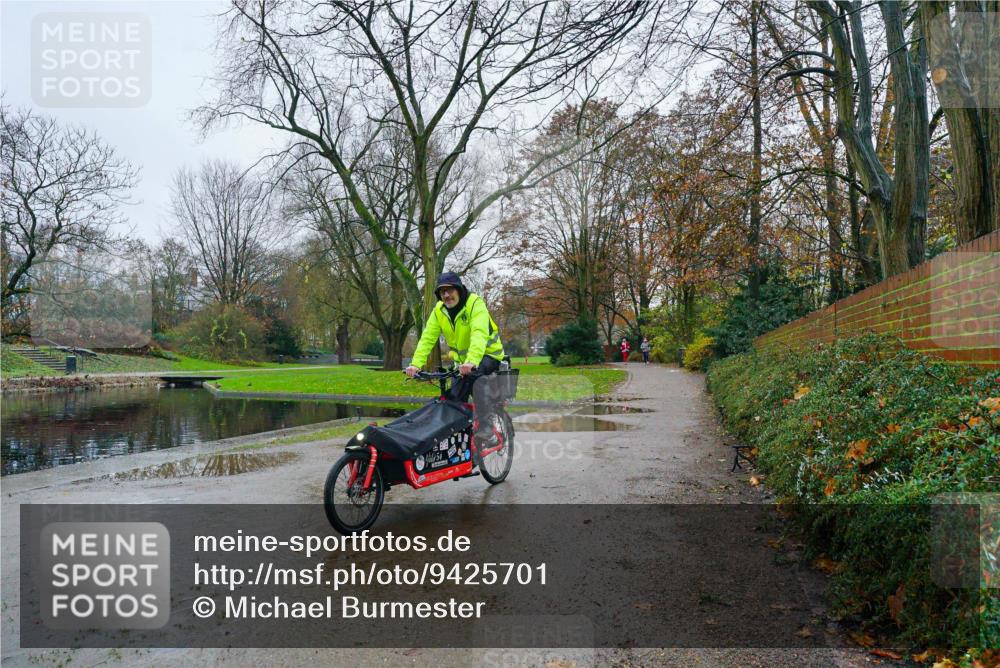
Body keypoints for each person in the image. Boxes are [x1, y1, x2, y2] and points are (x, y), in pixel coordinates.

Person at [406, 271, 505, 444]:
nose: (446, 295)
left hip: (488, 354)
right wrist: (416, 364)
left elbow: (479, 333)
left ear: (459, 289)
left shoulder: (474, 304)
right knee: (454, 397)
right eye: (442, 292)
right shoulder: (439, 311)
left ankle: (487, 426)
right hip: (463, 363)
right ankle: (461, 442)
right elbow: (428, 337)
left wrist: (472, 361)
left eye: (450, 290)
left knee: (476, 381)